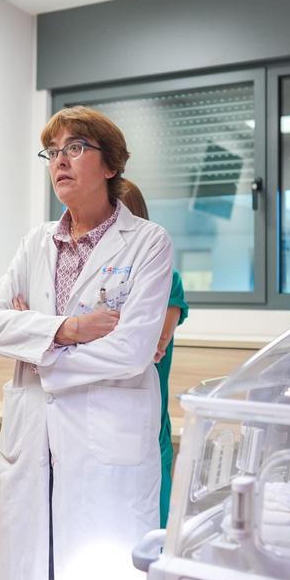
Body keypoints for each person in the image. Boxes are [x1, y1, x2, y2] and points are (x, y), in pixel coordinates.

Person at [0, 107, 173, 580]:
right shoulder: (35, 242)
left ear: (110, 166)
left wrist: (35, 345)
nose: (59, 161)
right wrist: (70, 330)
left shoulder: (148, 243)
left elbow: (131, 352)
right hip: (34, 437)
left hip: (104, 441)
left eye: (75, 148)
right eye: (52, 152)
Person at [116, 180, 188, 528]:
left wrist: (76, 332)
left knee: (149, 524)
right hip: (97, 416)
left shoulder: (166, 278)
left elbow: (150, 347)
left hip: (145, 414)